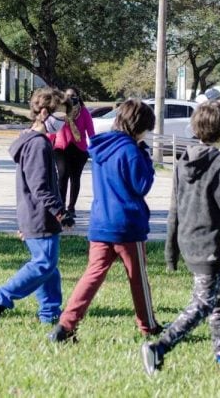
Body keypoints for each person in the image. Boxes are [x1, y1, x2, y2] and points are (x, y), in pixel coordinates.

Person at [141, 102, 220, 375]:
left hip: (190, 242)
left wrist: (171, 252)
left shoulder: (183, 160)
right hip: (207, 246)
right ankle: (159, 348)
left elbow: (173, 209)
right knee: (203, 303)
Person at [49, 99, 161, 343]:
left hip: (101, 222)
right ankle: (148, 325)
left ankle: (66, 324)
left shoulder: (102, 147)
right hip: (127, 225)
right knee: (138, 278)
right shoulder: (132, 151)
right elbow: (142, 185)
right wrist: (145, 155)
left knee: (92, 275)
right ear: (139, 128)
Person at [0, 88, 75, 325]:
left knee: (49, 267)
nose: (63, 123)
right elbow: (39, 187)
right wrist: (61, 212)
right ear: (44, 113)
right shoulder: (38, 145)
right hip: (39, 214)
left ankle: (50, 313)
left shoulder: (35, 141)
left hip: (36, 214)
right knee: (44, 263)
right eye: (60, 117)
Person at [50, 87, 95, 217]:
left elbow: (91, 132)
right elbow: (52, 130)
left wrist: (96, 148)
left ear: (78, 97)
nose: (70, 98)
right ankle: (61, 206)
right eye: (68, 96)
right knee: (63, 175)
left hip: (79, 149)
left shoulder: (84, 112)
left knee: (75, 178)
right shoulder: (60, 112)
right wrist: (46, 144)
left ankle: (71, 208)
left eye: (73, 95)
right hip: (61, 148)